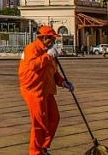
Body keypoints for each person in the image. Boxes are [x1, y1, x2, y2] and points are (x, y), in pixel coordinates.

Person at [20, 25, 73, 155]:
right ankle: (35, 152)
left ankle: (44, 147)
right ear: (43, 38)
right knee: (39, 124)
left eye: (54, 39)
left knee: (54, 118)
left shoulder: (48, 51)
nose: (54, 42)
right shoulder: (32, 49)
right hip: (34, 91)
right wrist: (48, 56)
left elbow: (53, 72)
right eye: (52, 39)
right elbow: (33, 66)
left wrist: (63, 82)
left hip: (47, 90)